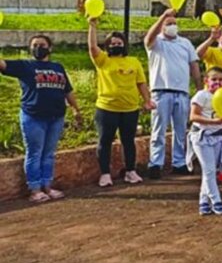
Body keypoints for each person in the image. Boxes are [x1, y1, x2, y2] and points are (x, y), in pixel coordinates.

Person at [1, 36, 81, 203]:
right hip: (33, 117)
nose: (38, 48)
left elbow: (68, 90)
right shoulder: (24, 66)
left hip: (56, 117)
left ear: (50, 48)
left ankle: (48, 186)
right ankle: (35, 189)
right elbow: (2, 65)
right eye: (35, 45)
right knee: (35, 153)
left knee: (49, 154)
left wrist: (76, 109)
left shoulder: (58, 67)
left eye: (42, 45)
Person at [87, 19, 152, 187]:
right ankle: (105, 174)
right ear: (108, 46)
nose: (116, 45)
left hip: (130, 109)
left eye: (119, 42)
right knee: (105, 140)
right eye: (112, 43)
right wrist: (92, 26)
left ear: (124, 45)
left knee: (128, 140)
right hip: (106, 108)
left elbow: (141, 83)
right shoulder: (103, 60)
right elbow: (93, 48)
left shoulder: (134, 62)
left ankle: (131, 171)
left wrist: (147, 100)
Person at [145, 9, 201, 179]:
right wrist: (163, 15)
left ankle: (179, 162)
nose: (172, 26)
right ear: (162, 26)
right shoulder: (156, 43)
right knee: (159, 129)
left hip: (182, 92)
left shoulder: (185, 43)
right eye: (168, 24)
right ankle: (155, 163)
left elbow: (194, 65)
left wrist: (199, 87)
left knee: (180, 130)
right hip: (161, 92)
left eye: (174, 24)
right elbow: (148, 38)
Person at [187, 67, 222, 216]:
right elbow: (193, 116)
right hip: (201, 137)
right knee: (209, 170)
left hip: (217, 136)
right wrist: (213, 121)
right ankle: (216, 201)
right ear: (206, 81)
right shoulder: (201, 95)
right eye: (214, 79)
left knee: (211, 170)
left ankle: (203, 202)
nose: (217, 83)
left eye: (221, 80)